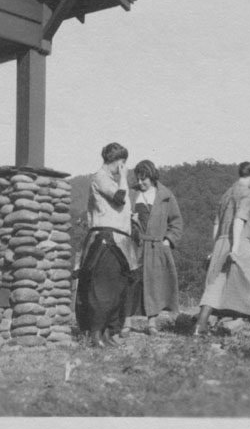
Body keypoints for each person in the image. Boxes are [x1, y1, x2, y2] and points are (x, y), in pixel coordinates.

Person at [76, 142, 139, 348]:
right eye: (121, 163)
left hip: (120, 240)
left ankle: (107, 332)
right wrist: (123, 178)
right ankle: (95, 333)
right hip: (106, 240)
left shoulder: (112, 179)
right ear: (116, 162)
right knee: (103, 288)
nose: (123, 167)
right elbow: (119, 198)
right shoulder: (101, 177)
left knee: (117, 288)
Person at [194, 162, 250, 338]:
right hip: (238, 240)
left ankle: (200, 325)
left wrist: (216, 248)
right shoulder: (247, 193)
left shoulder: (226, 194)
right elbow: (240, 219)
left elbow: (216, 223)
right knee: (249, 282)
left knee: (215, 284)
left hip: (220, 241)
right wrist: (235, 248)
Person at [121, 160, 183, 337]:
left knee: (154, 284)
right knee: (131, 283)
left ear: (152, 176)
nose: (140, 183)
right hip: (134, 245)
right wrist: (129, 219)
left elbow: (176, 222)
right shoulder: (132, 195)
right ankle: (126, 322)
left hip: (156, 247)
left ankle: (152, 323)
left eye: (144, 179)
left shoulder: (165, 196)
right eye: (138, 179)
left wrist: (168, 241)